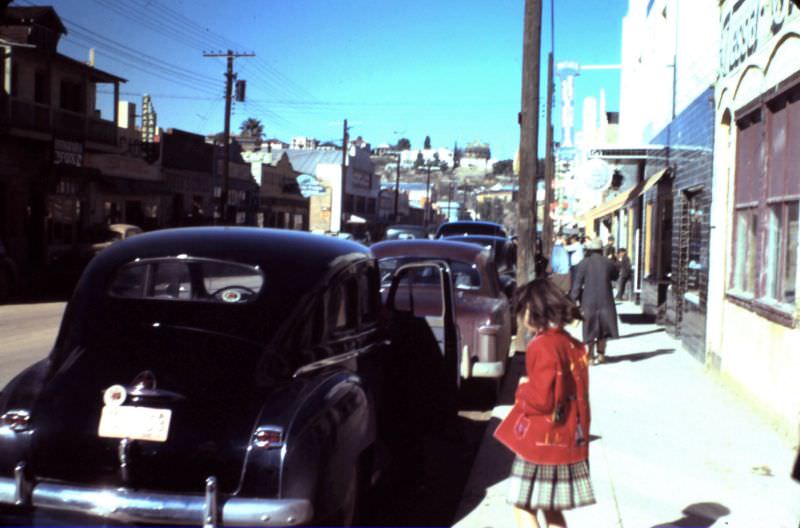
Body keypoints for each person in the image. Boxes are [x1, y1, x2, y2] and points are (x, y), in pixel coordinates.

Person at [506, 279, 595, 528]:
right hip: (568, 438)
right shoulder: (573, 344)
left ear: (532, 310)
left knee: (522, 504)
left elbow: (542, 400)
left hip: (542, 442)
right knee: (551, 509)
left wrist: (523, 387)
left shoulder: (541, 345)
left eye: (522, 311)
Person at [570, 238, 619, 364]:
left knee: (590, 327)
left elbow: (577, 284)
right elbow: (615, 276)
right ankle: (601, 355)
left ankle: (590, 357)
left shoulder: (583, 263)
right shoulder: (608, 263)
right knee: (604, 328)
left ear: (590, 250)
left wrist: (573, 299)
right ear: (601, 250)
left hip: (588, 300)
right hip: (605, 299)